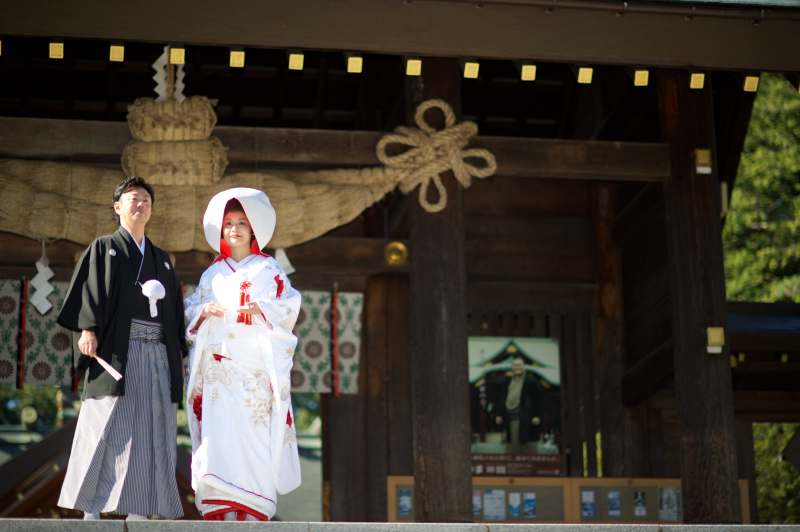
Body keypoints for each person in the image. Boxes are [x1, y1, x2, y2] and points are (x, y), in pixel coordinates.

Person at [57, 176, 185, 520]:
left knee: (151, 427)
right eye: (132, 198)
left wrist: (179, 357)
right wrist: (87, 330)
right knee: (103, 424)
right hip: (115, 351)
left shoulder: (163, 259)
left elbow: (174, 313)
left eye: (146, 199)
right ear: (118, 207)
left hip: (156, 353)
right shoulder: (103, 248)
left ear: (152, 210)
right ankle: (90, 508)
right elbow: (90, 291)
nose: (140, 204)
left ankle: (140, 509)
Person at [184, 187, 301, 521]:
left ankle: (254, 509)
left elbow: (288, 306)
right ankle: (222, 510)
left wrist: (260, 308)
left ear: (252, 230)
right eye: (228, 223)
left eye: (240, 222)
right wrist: (204, 310)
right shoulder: (212, 273)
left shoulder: (270, 270)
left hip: (254, 372)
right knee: (218, 440)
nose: (233, 229)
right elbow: (190, 309)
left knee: (253, 438)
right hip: (218, 374)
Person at [495, 357, 544, 454]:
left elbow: (538, 400)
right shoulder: (508, 382)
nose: (517, 367)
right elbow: (502, 399)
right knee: (512, 448)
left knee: (527, 447)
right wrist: (499, 414)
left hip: (527, 420)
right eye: (515, 365)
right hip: (511, 420)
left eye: (519, 365)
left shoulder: (531, 382)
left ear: (524, 367)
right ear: (512, 367)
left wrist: (537, 415)